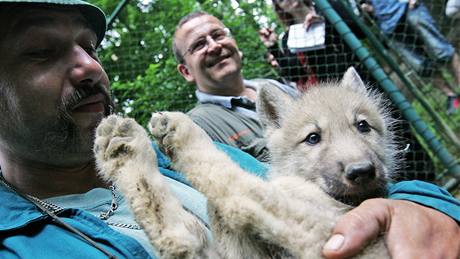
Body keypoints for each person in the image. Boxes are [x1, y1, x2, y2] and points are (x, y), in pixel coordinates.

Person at [0, 3, 458, 258]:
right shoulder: (18, 247)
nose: (89, 66)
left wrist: (427, 208)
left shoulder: (199, 156)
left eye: (90, 46)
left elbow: (358, 196)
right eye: (41, 52)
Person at [173, 10, 460, 258]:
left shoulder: (279, 88)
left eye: (219, 34)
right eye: (199, 44)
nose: (214, 45)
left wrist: (421, 202)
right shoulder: (198, 128)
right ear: (185, 71)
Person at [361, 0, 460, 114]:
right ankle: (452, 96)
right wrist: (367, 9)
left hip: (409, 8)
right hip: (389, 27)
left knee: (441, 50)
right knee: (421, 66)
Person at [258, 0, 363, 92]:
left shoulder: (328, 7)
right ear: (280, 8)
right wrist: (273, 47)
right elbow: (295, 74)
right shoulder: (289, 38)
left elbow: (359, 31)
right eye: (281, 0)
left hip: (360, 71)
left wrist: (325, 23)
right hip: (332, 88)